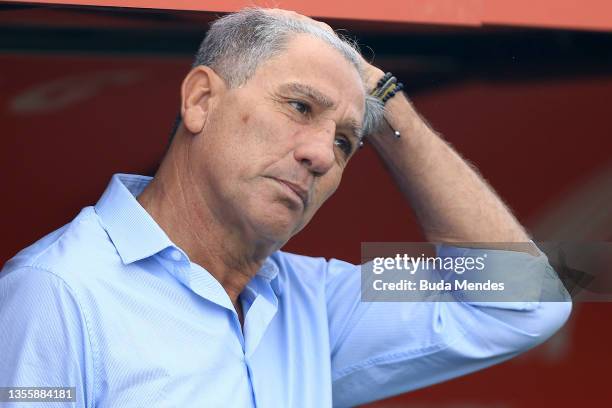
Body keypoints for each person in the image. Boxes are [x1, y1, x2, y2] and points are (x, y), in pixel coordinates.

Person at [0, 7, 571, 408]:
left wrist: (387, 105)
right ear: (201, 100)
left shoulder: (312, 299)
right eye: (299, 106)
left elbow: (525, 300)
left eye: (348, 141)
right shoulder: (56, 288)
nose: (322, 154)